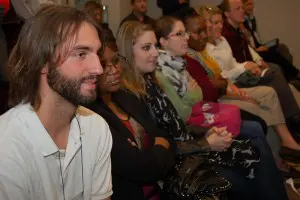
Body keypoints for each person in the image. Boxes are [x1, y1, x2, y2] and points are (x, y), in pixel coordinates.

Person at [116, 19, 288, 200]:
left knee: (255, 149)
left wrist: (206, 134)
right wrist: (206, 143)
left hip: (189, 149)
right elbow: (159, 151)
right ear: (128, 52)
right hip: (177, 167)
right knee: (251, 164)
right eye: (146, 48)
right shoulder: (131, 96)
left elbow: (180, 124)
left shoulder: (150, 83)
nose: (154, 53)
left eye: (153, 46)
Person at [0, 5, 113, 199]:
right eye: (81, 54)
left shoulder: (97, 128)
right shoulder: (7, 144)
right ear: (43, 62)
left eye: (97, 54)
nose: (98, 69)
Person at [183, 12, 300, 160]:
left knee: (270, 91)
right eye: (197, 32)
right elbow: (209, 89)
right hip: (215, 101)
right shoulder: (191, 56)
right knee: (258, 105)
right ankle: (275, 159)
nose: (204, 35)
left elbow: (220, 77)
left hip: (225, 90)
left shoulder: (202, 52)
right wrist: (232, 88)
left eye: (204, 30)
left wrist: (232, 87)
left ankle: (286, 141)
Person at [88, 30, 175, 200]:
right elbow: (141, 169)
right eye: (104, 64)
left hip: (163, 189)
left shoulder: (126, 97)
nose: (113, 70)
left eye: (115, 61)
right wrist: (158, 147)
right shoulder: (91, 117)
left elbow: (166, 137)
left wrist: (149, 154)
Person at [241, 0, 299, 83]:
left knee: (282, 47)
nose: (251, 7)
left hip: (257, 46)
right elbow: (247, 46)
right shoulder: (241, 23)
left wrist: (262, 45)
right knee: (274, 53)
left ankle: (290, 76)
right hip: (253, 51)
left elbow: (256, 38)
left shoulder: (251, 19)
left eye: (252, 5)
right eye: (248, 5)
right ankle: (295, 73)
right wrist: (257, 49)